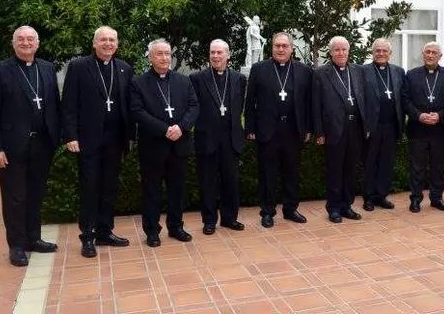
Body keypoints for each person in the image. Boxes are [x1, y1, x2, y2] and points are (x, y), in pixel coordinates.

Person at [0, 25, 61, 267]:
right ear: (13, 42)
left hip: (42, 144)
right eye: (21, 39)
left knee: (36, 195)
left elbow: (54, 105)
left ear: (38, 43)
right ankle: (16, 246)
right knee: (15, 198)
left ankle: (33, 239)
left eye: (30, 39)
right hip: (12, 147)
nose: (26, 43)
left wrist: (56, 137)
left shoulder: (47, 68)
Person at [62, 26, 133, 258]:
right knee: (90, 187)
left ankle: (105, 231)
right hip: (88, 139)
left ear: (117, 44)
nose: (108, 43)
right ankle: (88, 236)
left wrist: (130, 137)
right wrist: (70, 136)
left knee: (109, 188)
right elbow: (69, 104)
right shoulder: (79, 67)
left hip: (115, 139)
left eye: (112, 40)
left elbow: (128, 107)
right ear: (94, 43)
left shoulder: (124, 69)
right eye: (103, 39)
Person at [130, 39, 199, 247]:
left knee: (177, 189)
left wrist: (182, 127)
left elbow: (194, 106)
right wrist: (164, 130)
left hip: (179, 144)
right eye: (159, 54)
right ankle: (152, 230)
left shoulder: (183, 81)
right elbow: (137, 112)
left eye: (167, 54)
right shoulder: (138, 83)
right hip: (153, 146)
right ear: (150, 57)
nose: (164, 58)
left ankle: (176, 226)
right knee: (152, 190)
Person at [245, 32, 312, 228]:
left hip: (293, 129)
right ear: (272, 48)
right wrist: (249, 127)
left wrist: (308, 127)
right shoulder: (259, 69)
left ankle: (290, 209)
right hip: (267, 130)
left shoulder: (303, 70)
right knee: (267, 174)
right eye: (277, 46)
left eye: (284, 46)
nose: (281, 49)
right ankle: (267, 211)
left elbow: (308, 102)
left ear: (291, 48)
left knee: (291, 172)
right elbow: (250, 102)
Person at [190, 39, 246, 235]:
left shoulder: (239, 78)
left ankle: (230, 218)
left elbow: (240, 105)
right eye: (212, 52)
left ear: (228, 55)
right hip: (207, 138)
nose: (215, 56)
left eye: (219, 53)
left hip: (231, 139)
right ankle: (209, 220)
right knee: (208, 182)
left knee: (231, 181)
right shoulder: (197, 78)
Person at [313, 36, 367, 223]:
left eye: (344, 49)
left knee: (351, 170)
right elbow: (315, 105)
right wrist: (319, 132)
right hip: (333, 130)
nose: (341, 53)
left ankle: (347, 205)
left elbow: (364, 98)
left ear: (349, 51)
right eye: (337, 50)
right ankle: (334, 208)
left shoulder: (358, 71)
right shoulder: (320, 73)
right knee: (335, 170)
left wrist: (366, 126)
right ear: (330, 52)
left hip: (355, 128)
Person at [402, 42, 444, 213]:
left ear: (440, 56)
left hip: (440, 129)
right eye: (427, 52)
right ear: (423, 54)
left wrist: (440, 115)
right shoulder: (411, 75)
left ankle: (436, 198)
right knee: (417, 167)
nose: (430, 55)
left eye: (434, 53)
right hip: (418, 129)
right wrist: (419, 115)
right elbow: (405, 99)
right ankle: (416, 199)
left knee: (438, 166)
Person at [361, 38, 405, 212]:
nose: (381, 53)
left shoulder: (398, 71)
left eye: (384, 51)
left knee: (387, 162)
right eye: (377, 50)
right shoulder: (363, 71)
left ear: (390, 53)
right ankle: (369, 197)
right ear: (373, 53)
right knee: (370, 162)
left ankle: (382, 195)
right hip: (373, 125)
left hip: (391, 125)